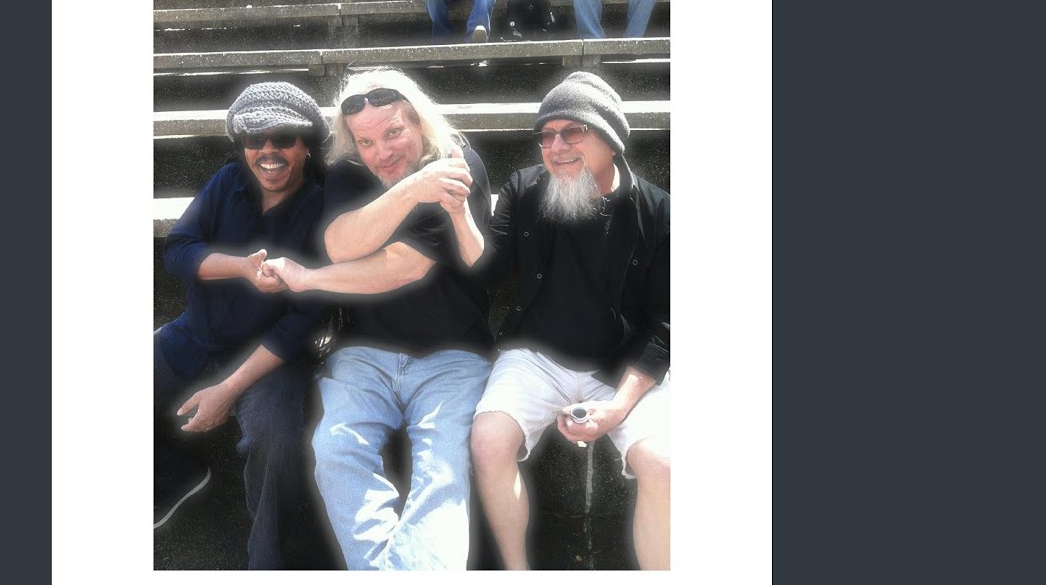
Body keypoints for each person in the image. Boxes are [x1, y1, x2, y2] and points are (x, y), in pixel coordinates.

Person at [260, 68, 493, 570]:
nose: (381, 152)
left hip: (454, 355)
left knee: (443, 469)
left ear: (419, 121)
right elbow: (340, 245)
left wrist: (310, 278)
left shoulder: (457, 162)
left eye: (393, 133)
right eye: (365, 141)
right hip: (364, 354)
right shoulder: (349, 172)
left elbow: (405, 266)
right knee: (334, 450)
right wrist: (411, 190)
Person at [470, 71, 671, 570]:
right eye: (546, 135)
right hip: (535, 355)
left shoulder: (658, 211)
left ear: (610, 138)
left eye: (571, 132)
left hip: (622, 365)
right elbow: (490, 271)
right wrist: (456, 213)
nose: (555, 147)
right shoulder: (525, 188)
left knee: (665, 466)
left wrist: (619, 408)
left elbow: (667, 323)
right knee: (488, 442)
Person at [153, 82, 331, 570]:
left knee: (276, 444)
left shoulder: (324, 205)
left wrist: (227, 390)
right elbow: (178, 249)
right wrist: (241, 268)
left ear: (306, 145)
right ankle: (174, 475)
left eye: (283, 138)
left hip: (272, 357)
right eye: (255, 139)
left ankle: (267, 563)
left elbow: (302, 321)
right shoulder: (227, 180)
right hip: (195, 334)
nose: (268, 151)